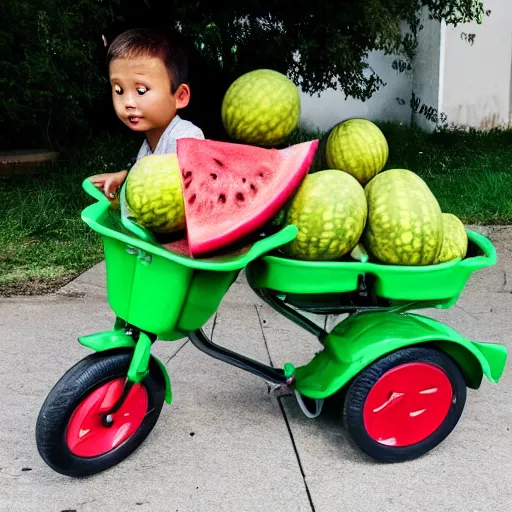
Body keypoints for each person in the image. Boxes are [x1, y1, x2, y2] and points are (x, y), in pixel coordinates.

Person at [90, 27, 204, 199]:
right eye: (119, 90)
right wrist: (124, 180)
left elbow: (191, 189)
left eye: (141, 90)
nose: (128, 103)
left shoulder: (186, 137)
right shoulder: (147, 146)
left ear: (180, 96)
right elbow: (144, 179)